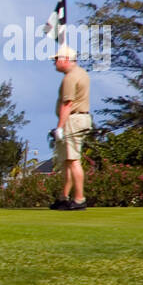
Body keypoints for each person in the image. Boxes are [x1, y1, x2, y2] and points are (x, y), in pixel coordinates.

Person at [49, 45, 92, 211]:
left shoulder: (70, 78)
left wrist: (59, 128)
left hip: (73, 120)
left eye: (56, 59)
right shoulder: (81, 73)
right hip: (80, 118)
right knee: (67, 160)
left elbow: (67, 104)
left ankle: (79, 199)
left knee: (73, 160)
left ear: (65, 60)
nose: (54, 63)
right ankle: (64, 198)